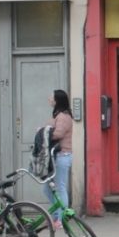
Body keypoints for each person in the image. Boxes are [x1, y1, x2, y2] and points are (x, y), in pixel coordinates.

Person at [45, 89, 73, 229]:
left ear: (57, 100)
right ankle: (57, 214)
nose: (49, 99)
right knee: (47, 188)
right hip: (56, 156)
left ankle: (62, 218)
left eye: (51, 97)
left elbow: (58, 134)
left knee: (60, 187)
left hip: (62, 156)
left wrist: (43, 131)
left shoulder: (63, 116)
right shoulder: (58, 115)